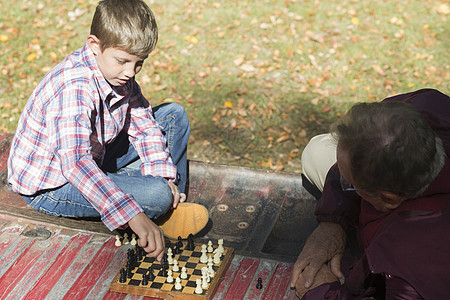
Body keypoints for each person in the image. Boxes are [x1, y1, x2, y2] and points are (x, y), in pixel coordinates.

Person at [7, 0, 208, 261]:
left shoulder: (118, 73)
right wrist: (133, 214)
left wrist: (162, 176)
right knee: (156, 195)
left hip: (97, 154)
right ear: (94, 45)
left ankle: (167, 201)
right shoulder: (74, 88)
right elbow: (76, 164)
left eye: (139, 63)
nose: (130, 72)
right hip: (53, 186)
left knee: (174, 116)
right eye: (123, 61)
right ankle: (156, 202)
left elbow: (144, 126)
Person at [290, 89, 450, 299]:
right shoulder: (425, 107)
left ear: (389, 199)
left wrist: (322, 291)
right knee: (316, 150)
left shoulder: (412, 255)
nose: (341, 179)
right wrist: (333, 221)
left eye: (349, 183)